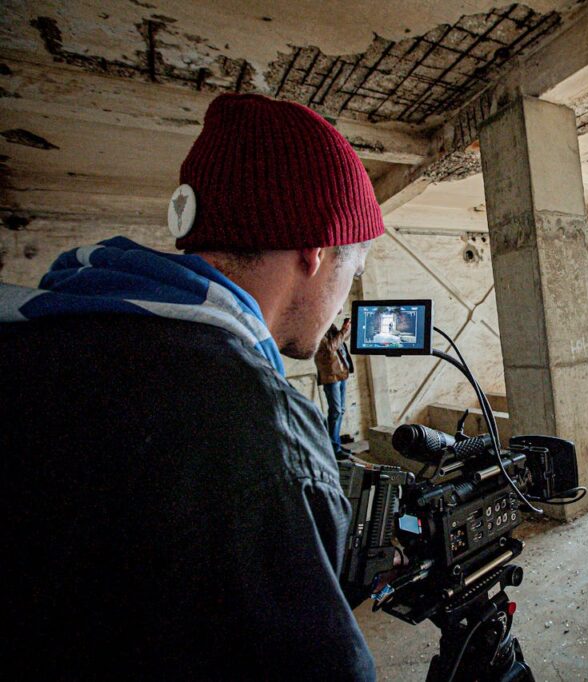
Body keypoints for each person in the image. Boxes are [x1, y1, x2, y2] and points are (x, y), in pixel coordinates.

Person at [0, 94, 384, 679]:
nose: (339, 307)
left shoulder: (41, 331)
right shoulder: (260, 426)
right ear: (316, 251)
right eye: (350, 273)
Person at [316, 318, 355, 454]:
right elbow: (329, 348)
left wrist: (348, 329)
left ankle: (336, 444)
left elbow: (341, 341)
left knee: (340, 411)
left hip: (341, 372)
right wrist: (344, 330)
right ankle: (333, 448)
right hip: (330, 375)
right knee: (335, 411)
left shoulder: (329, 324)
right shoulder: (317, 327)